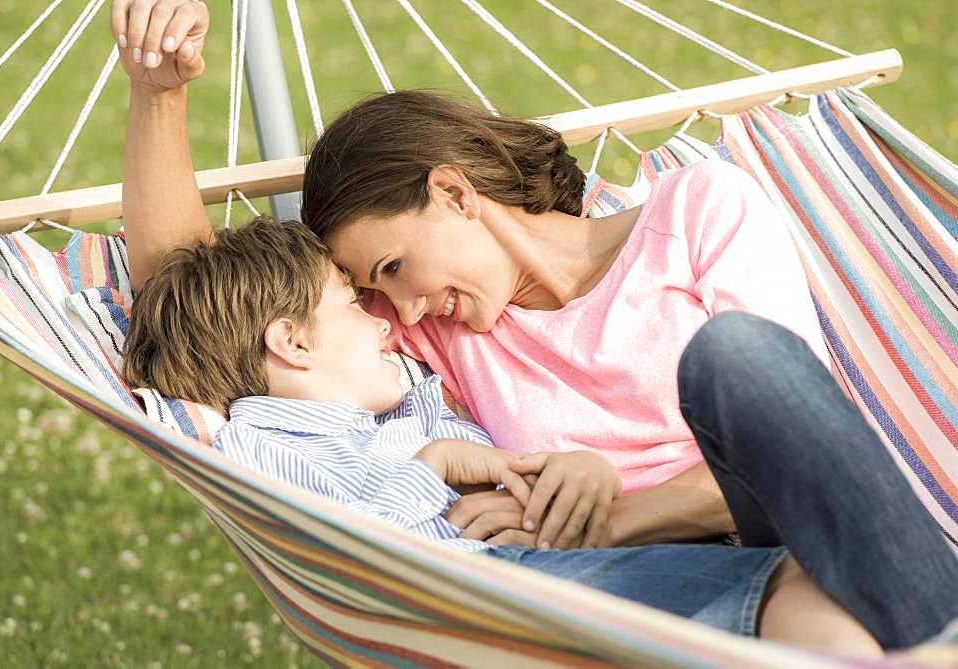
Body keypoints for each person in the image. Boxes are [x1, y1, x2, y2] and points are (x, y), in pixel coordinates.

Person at [111, 0, 957, 651]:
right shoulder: (438, 337)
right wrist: (159, 92)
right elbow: (200, 305)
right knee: (814, 599)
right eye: (373, 291)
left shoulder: (703, 209)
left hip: (800, 517)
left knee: (732, 357)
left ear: (452, 193)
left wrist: (618, 510)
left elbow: (799, 434)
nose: (397, 309)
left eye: (395, 269)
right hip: (706, 582)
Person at [121, 215, 879, 652]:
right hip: (491, 598)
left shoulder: (411, 393)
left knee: (803, 583)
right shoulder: (262, 440)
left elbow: (510, 466)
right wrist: (430, 463)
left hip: (561, 559)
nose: (386, 324)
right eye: (354, 303)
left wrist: (576, 473)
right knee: (789, 593)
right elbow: (345, 557)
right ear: (291, 342)